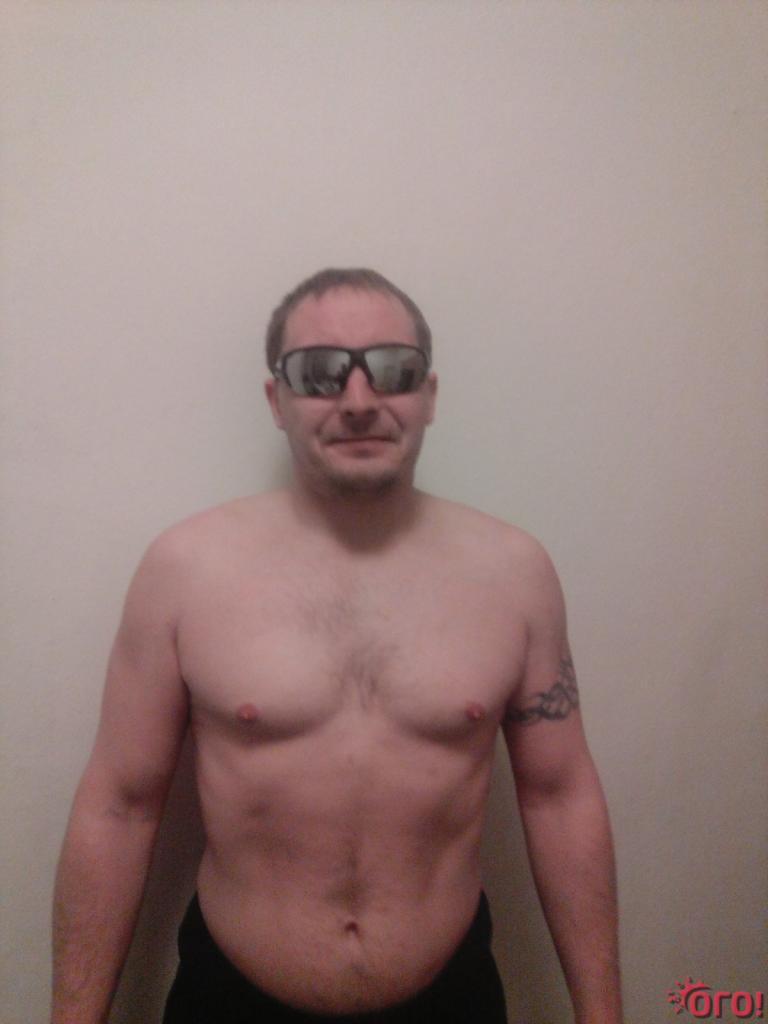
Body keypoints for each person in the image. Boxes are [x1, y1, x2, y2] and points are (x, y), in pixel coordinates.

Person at [51, 268, 623, 1024]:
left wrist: (603, 1014)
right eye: (319, 373)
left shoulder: (514, 574)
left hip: (450, 996)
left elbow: (559, 797)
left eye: (393, 370)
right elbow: (120, 808)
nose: (358, 400)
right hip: (232, 998)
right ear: (276, 401)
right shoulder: (185, 571)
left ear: (428, 395)